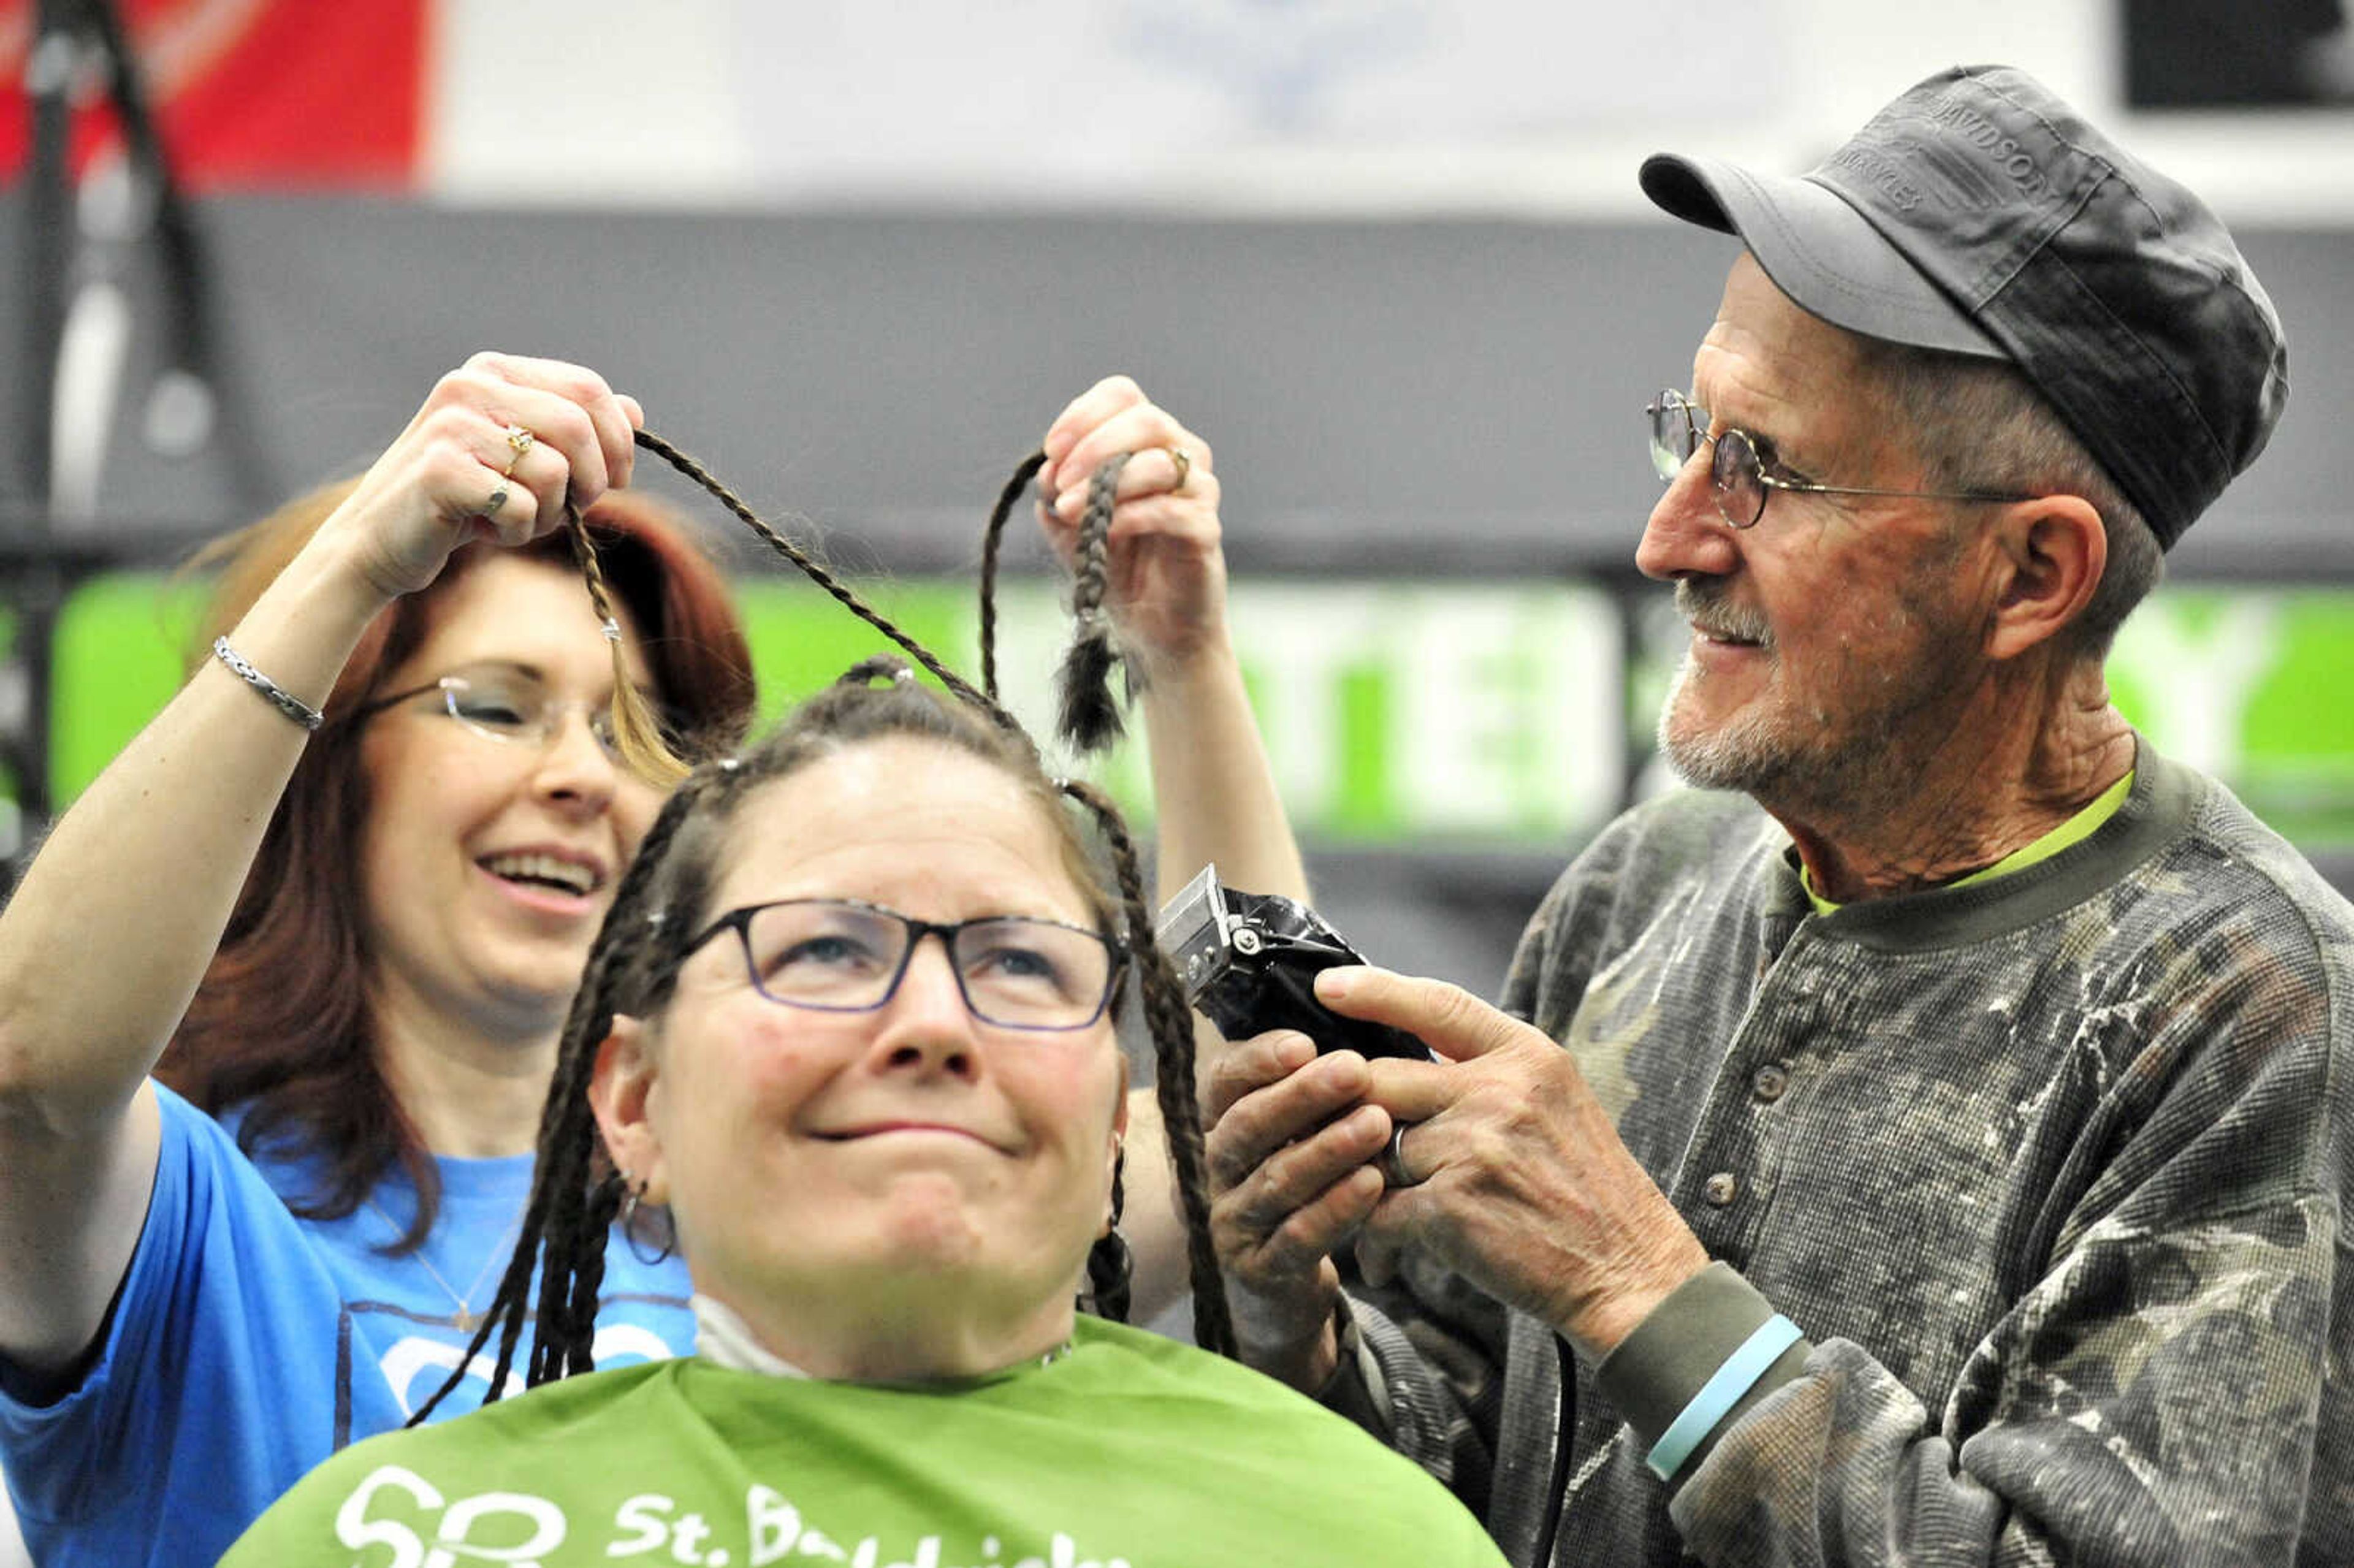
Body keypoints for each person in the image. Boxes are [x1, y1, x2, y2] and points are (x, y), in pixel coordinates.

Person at [1104, 65, 2350, 1567]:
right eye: (1687, 432)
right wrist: (1293, 1317)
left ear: (2031, 575)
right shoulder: (1647, 883)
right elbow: (1463, 1475)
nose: (1670, 535)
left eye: (1760, 470)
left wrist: (1641, 1290)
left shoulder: (2259, 1020)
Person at [218, 663, 1510, 1568]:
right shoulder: (381, 1542)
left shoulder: (1359, 1538)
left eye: (1019, 961)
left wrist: (1184, 654)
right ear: (633, 1101)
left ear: (1117, 1123)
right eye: (827, 950)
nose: (936, 1023)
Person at [0, 352, 757, 1568]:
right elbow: (30, 1070)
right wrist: (362, 559)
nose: (580, 777)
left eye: (637, 732)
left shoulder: (768, 1203)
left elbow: (1185, 1137)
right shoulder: (182, 1214)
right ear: (328, 769)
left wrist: (1183, 660)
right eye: (500, 707)